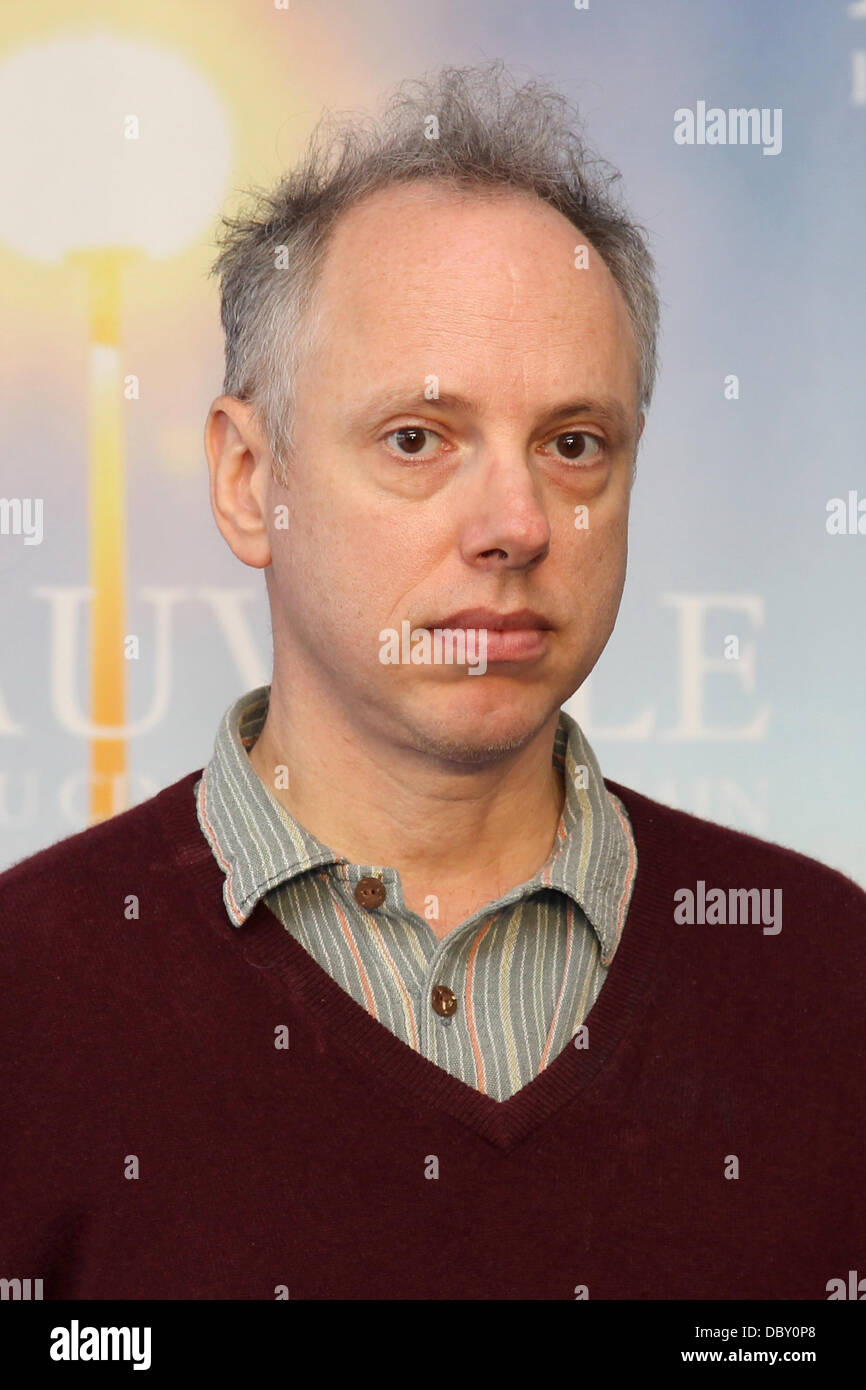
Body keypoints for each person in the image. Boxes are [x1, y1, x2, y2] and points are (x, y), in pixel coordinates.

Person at [1, 62, 863, 1302]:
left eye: (574, 445)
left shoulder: (824, 972)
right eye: (418, 438)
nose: (515, 522)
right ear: (250, 480)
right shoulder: (27, 999)